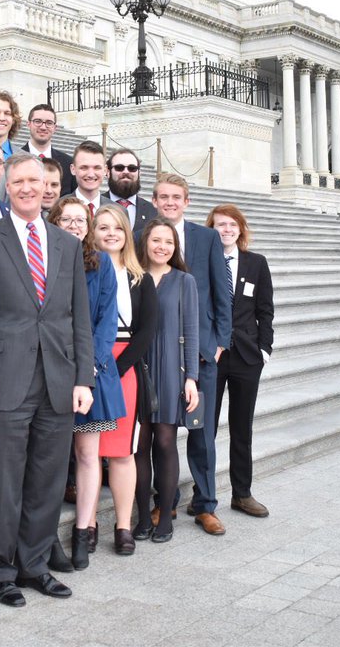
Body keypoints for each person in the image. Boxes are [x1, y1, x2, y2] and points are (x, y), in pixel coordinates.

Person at [0, 154, 94, 608]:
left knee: (47, 479)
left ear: (46, 187)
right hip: (5, 380)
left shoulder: (67, 244)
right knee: (3, 481)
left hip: (58, 379)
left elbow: (79, 317)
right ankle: (0, 572)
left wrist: (83, 378)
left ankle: (35, 565)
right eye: (17, 181)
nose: (25, 188)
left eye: (33, 181)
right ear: (6, 185)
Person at [150, 173, 231, 536]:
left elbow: (221, 291)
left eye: (176, 197)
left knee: (202, 434)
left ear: (186, 201)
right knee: (161, 434)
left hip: (201, 353)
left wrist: (219, 342)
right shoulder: (145, 236)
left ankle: (205, 504)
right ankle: (163, 501)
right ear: (155, 201)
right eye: (163, 197)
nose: (170, 202)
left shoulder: (207, 237)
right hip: (161, 356)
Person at [47, 198, 122, 566]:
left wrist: (89, 366)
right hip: (49, 370)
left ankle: (84, 530)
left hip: (90, 372)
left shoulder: (102, 263)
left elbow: (107, 321)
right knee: (49, 457)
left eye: (81, 220)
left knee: (88, 455)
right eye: (67, 219)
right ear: (54, 222)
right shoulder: (43, 260)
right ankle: (45, 537)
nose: (75, 225)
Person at [92, 206, 157, 547]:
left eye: (117, 227)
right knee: (88, 453)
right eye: (103, 227)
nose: (111, 233)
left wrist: (116, 371)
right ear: (93, 232)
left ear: (127, 234)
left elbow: (147, 331)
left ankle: (122, 526)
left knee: (121, 452)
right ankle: (87, 525)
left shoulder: (140, 278)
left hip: (124, 368)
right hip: (90, 364)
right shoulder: (83, 271)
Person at [207, 204, 275, 518]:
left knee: (241, 427)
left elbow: (265, 309)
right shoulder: (203, 262)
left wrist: (264, 349)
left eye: (232, 225)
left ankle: (242, 494)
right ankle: (203, 495)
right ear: (211, 229)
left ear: (240, 229)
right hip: (213, 356)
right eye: (220, 224)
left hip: (247, 356)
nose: (227, 229)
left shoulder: (256, 263)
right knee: (206, 428)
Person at [135, 217, 200, 544]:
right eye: (156, 240)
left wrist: (192, 378)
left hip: (171, 369)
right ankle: (142, 517)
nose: (162, 247)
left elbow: (191, 331)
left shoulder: (184, 281)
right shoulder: (133, 276)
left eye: (169, 242)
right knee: (139, 445)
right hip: (137, 367)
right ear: (145, 242)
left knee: (164, 441)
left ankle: (164, 515)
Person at [21, 103, 75, 195]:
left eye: (49, 123)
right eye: (38, 121)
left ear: (55, 128)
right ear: (28, 124)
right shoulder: (14, 160)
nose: (43, 127)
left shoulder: (68, 163)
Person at [102, 148, 157, 234]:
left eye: (132, 168)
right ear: (108, 172)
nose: (126, 172)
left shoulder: (153, 211)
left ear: (139, 173)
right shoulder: (95, 206)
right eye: (119, 168)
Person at [69, 141, 107, 218]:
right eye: (84, 168)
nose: (91, 174)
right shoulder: (58, 208)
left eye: (97, 168)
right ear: (73, 169)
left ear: (105, 170)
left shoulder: (119, 210)